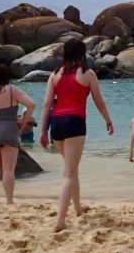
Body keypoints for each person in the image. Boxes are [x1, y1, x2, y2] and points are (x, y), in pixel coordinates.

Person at [40, 39, 114, 231]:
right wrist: (108, 120)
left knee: (71, 169)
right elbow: (99, 101)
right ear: (83, 53)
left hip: (56, 124)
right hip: (74, 122)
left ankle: (78, 208)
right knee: (68, 174)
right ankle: (61, 220)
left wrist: (42, 131)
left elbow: (47, 104)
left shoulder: (55, 74)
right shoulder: (88, 74)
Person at [0, 63, 36, 204]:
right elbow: (31, 104)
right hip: (9, 130)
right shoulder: (12, 91)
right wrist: (23, 121)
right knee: (8, 169)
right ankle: (9, 200)